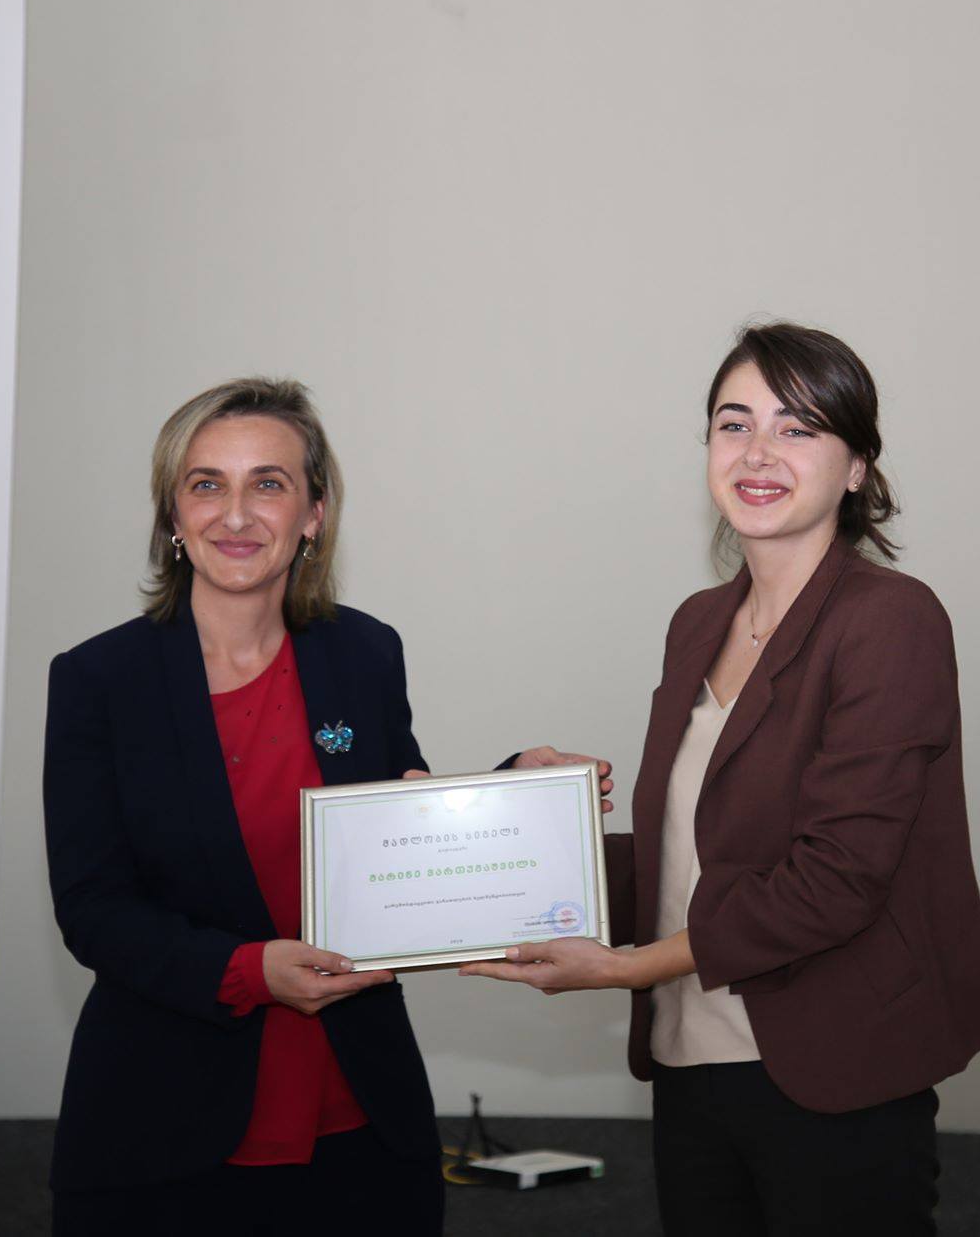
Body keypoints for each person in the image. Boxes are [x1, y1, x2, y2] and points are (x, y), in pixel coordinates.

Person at [462, 323, 980, 1235]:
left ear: (857, 467)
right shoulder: (698, 621)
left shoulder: (891, 619)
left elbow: (835, 879)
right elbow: (688, 856)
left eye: (797, 427)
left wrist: (627, 966)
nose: (758, 452)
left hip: (835, 1070)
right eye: (734, 423)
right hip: (692, 1064)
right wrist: (507, 829)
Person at [43, 377, 604, 1234]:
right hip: (164, 1128)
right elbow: (93, 909)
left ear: (313, 513)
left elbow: (397, 832)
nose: (236, 513)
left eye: (268, 483)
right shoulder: (98, 680)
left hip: (359, 1121)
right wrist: (248, 971)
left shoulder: (363, 652)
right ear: (172, 514)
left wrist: (515, 792)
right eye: (206, 483)